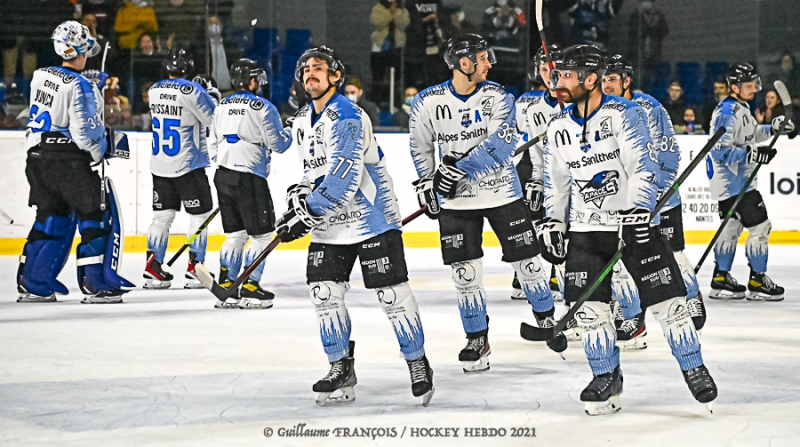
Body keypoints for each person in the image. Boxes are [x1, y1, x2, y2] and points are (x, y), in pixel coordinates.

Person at [543, 44, 716, 415]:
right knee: (588, 311)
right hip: (587, 233)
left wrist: (638, 210)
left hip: (634, 227)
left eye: (567, 75)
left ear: (591, 79)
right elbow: (555, 183)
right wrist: (553, 224)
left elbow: (643, 166)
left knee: (669, 304)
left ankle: (693, 366)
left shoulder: (626, 113)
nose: (559, 81)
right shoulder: (558, 126)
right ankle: (606, 375)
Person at [275, 46, 434, 406]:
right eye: (305, 70)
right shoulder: (302, 120)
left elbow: (344, 180)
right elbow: (314, 174)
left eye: (318, 68)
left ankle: (417, 362)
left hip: (371, 220)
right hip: (328, 224)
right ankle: (340, 367)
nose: (310, 75)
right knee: (324, 295)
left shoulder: (347, 116)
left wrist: (305, 214)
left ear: (335, 76)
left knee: (392, 295)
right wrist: (298, 199)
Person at [409, 34, 561, 373]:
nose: (490, 63)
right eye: (483, 57)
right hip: (456, 203)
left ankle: (548, 318)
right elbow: (420, 147)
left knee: (529, 265)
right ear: (464, 63)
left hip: (503, 195)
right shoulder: (426, 102)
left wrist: (453, 171)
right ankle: (477, 338)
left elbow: (502, 145)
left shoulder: (500, 97)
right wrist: (426, 182)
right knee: (465, 275)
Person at [17, 20, 134, 304]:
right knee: (95, 216)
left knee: (50, 216)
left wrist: (88, 86)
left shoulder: (39, 74)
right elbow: (86, 135)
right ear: (79, 51)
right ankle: (96, 283)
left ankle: (33, 280)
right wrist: (103, 150)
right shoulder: (82, 86)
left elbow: (56, 99)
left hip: (37, 159)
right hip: (68, 162)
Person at [601, 54, 706, 352]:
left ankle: (690, 296)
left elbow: (669, 154)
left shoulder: (650, 107)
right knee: (623, 261)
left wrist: (652, 190)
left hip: (662, 198)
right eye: (604, 78)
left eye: (613, 78)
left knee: (673, 254)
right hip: (623, 202)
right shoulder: (598, 110)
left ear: (627, 80)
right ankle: (633, 316)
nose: (607, 84)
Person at [706, 63, 796, 301]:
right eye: (748, 85)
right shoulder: (727, 112)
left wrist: (773, 128)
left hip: (731, 185)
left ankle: (720, 278)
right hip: (736, 184)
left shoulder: (740, 108)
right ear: (734, 86)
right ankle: (758, 280)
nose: (754, 89)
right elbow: (719, 151)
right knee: (760, 228)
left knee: (731, 228)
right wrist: (752, 154)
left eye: (754, 84)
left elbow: (751, 135)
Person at [208, 59, 291, 309]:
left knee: (235, 234)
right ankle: (251, 286)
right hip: (250, 177)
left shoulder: (221, 105)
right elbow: (280, 144)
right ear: (252, 81)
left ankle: (226, 283)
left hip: (223, 174)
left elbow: (212, 144)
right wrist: (290, 129)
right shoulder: (262, 107)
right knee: (263, 235)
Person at [143, 48, 220, 289]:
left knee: (161, 217)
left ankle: (152, 267)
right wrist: (212, 93)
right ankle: (195, 268)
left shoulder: (154, 89)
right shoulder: (192, 90)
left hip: (160, 164)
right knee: (199, 216)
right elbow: (214, 120)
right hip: (189, 165)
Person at [512, 44, 564, 304]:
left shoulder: (578, 102)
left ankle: (559, 272)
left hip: (576, 176)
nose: (548, 74)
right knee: (535, 220)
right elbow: (534, 152)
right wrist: (537, 180)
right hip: (540, 171)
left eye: (553, 69)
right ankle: (531, 272)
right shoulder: (531, 107)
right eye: (544, 69)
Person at [370, 0, 410, 106]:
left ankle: (397, 103)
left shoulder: (402, 9)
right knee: (378, 78)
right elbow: (378, 22)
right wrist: (390, 12)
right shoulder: (378, 8)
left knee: (397, 79)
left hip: (397, 48)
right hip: (380, 48)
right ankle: (377, 103)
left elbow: (403, 23)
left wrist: (395, 12)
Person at [481, 0, 527, 92]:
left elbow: (521, 30)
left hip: (513, 58)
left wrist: (509, 15)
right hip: (496, 56)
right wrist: (499, 16)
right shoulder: (489, 12)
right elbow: (486, 30)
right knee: (494, 86)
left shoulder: (518, 12)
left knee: (511, 87)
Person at [626, 0, 668, 92]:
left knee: (650, 82)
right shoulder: (636, 15)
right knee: (638, 82)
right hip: (638, 57)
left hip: (653, 55)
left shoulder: (658, 15)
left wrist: (651, 30)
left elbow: (664, 31)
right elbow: (634, 33)